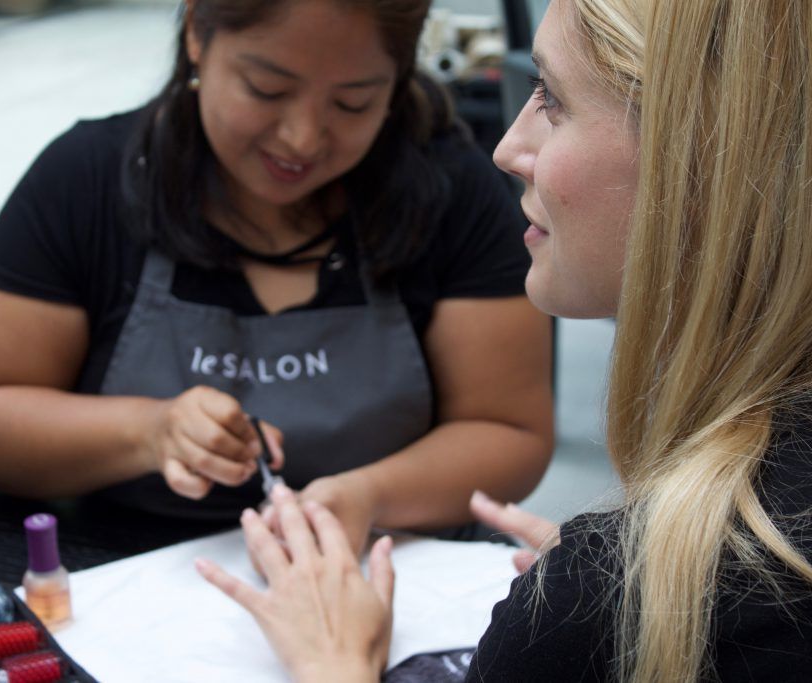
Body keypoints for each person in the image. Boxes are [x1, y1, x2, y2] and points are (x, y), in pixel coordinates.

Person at [196, 0, 812, 679]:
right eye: (267, 87)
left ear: (702, 157)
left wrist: (334, 661)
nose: (508, 147)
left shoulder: (606, 608)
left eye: (551, 99)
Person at [0, 0, 554, 553]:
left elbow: (509, 431)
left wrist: (367, 497)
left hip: (391, 564)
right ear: (198, 32)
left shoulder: (450, 190)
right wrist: (148, 433)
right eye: (265, 88)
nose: (302, 138)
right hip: (121, 570)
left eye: (353, 102)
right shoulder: (87, 182)